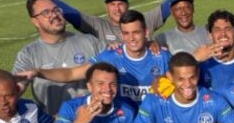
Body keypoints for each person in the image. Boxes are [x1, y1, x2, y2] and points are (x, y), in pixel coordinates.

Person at [4, 0, 212, 46]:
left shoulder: (142, 20)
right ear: (107, 7)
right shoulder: (98, 26)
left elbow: (170, 5)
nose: (117, 7)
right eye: (112, 4)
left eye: (120, 2)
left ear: (127, 5)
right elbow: (66, 10)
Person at [26, 10, 172, 108]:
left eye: (136, 32)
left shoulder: (162, 57)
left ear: (146, 32)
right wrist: (39, 72)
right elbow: (71, 74)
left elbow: (183, 84)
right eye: (126, 33)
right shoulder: (111, 57)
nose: (131, 38)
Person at [12, 0, 103, 116]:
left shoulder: (89, 41)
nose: (54, 15)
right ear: (35, 21)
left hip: (96, 121)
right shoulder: (28, 54)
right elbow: (16, 88)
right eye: (46, 13)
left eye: (56, 10)